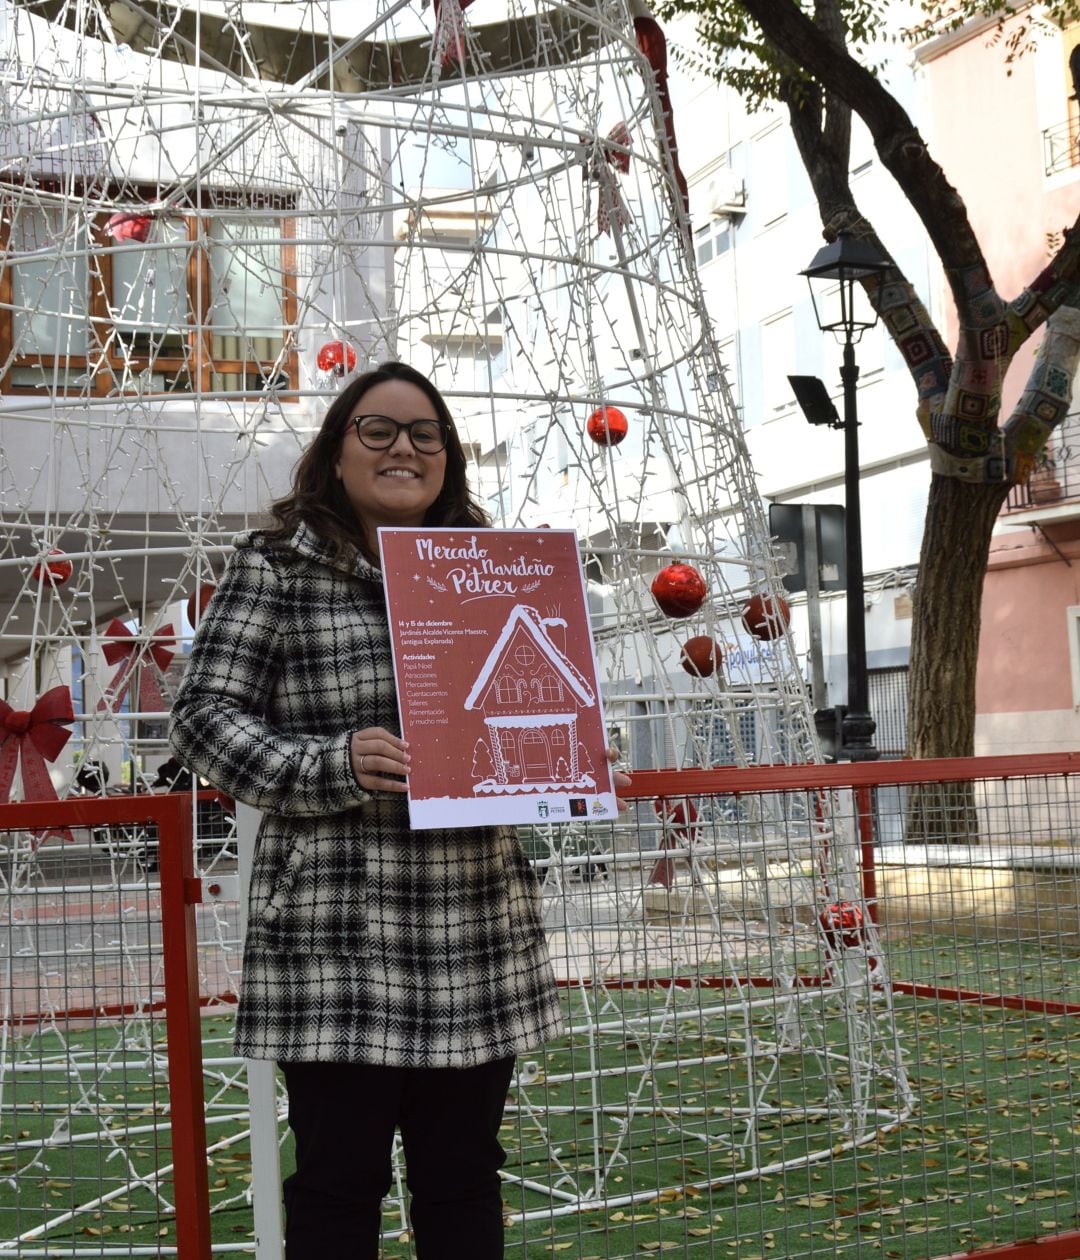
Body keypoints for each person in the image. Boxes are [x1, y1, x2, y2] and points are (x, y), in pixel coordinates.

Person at [169, 361, 630, 1259]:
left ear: (448, 460)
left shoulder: (497, 571)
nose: (403, 448)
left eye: (426, 434)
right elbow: (201, 719)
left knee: (463, 1181)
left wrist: (573, 751)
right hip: (340, 927)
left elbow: (528, 701)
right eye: (376, 429)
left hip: (474, 925)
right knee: (338, 1187)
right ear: (337, 451)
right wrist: (328, 762)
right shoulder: (278, 569)